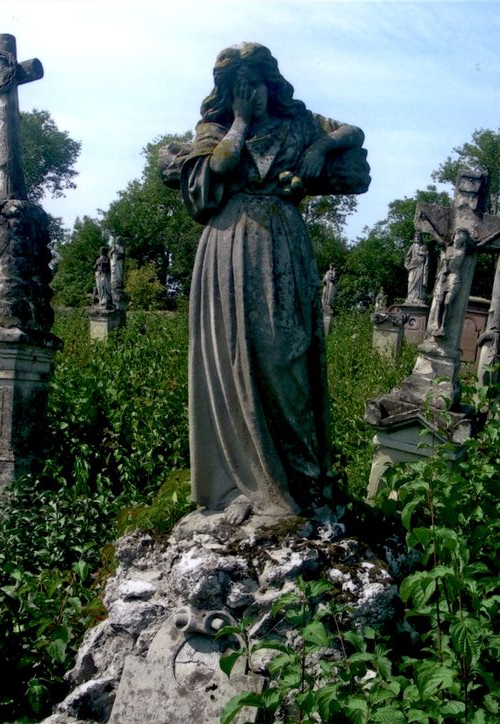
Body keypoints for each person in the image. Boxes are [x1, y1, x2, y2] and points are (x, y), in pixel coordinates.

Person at [179, 43, 369, 524]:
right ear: (228, 92)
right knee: (230, 357)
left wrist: (322, 148)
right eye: (240, 88)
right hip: (226, 248)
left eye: (257, 84)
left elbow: (353, 132)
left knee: (287, 357)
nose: (252, 94)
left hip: (282, 246)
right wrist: (239, 122)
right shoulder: (215, 130)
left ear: (271, 83)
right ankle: (240, 481)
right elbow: (216, 170)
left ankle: (301, 479)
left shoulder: (298, 123)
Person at [403, 230, 429, 304]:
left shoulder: (423, 246)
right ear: (414, 237)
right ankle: (410, 297)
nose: (417, 238)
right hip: (413, 266)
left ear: (420, 237)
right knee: (411, 281)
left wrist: (424, 256)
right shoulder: (412, 246)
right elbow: (408, 257)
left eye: (418, 236)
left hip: (420, 266)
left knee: (419, 282)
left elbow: (427, 255)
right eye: (416, 236)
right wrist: (407, 265)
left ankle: (418, 297)